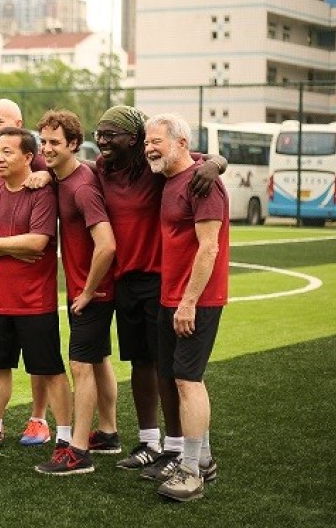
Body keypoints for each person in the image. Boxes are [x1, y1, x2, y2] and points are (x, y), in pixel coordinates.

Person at [93, 106, 224, 475]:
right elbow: (60, 162)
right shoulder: (102, 169)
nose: (102, 141)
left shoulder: (158, 169)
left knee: (169, 370)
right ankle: (149, 442)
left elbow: (201, 160)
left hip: (159, 280)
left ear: (132, 138)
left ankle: (177, 447)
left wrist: (216, 164)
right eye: (99, 133)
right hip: (125, 279)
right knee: (140, 362)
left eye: (111, 134)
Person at [0, 127, 72, 465]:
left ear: (28, 157)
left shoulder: (41, 193)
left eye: (8, 152)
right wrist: (6, 247)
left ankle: (66, 437)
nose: (0, 157)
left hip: (35, 302)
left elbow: (38, 243)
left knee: (50, 369)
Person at [144, 113, 229, 502]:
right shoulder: (172, 177)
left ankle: (191, 472)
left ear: (180, 143)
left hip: (196, 300)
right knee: (179, 377)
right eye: (147, 142)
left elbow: (209, 247)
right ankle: (203, 459)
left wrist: (189, 302)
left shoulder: (203, 184)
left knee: (188, 380)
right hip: (170, 298)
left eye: (156, 141)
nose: (149, 148)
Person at [34, 110, 117, 474]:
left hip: (93, 293)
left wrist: (87, 291)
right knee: (98, 360)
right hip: (91, 289)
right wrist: (44, 173)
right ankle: (109, 433)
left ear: (73, 144)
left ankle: (78, 450)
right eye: (44, 142)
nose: (47, 149)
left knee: (80, 366)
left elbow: (107, 245)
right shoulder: (64, 176)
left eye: (55, 143)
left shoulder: (82, 187)